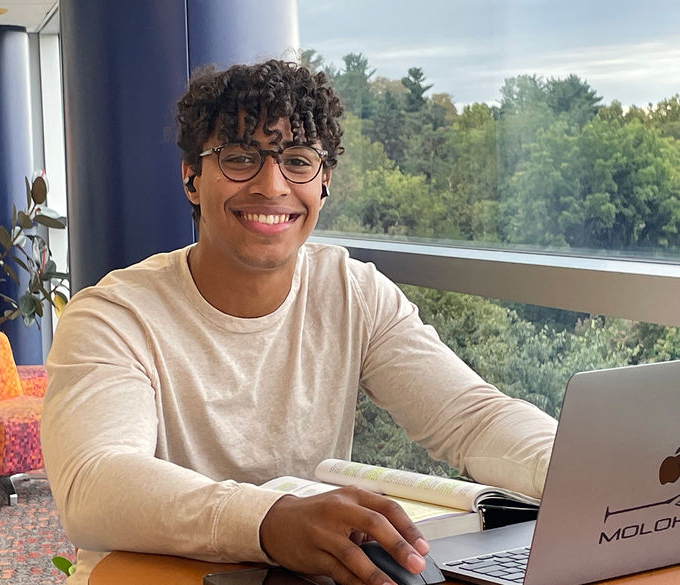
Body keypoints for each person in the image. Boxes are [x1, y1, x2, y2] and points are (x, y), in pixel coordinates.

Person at [40, 59, 557, 585]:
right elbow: (94, 482)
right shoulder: (114, 316)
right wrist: (269, 520)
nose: (272, 185)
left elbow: (471, 418)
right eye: (240, 158)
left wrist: (583, 473)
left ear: (324, 180)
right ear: (192, 178)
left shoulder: (353, 292)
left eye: (297, 160)